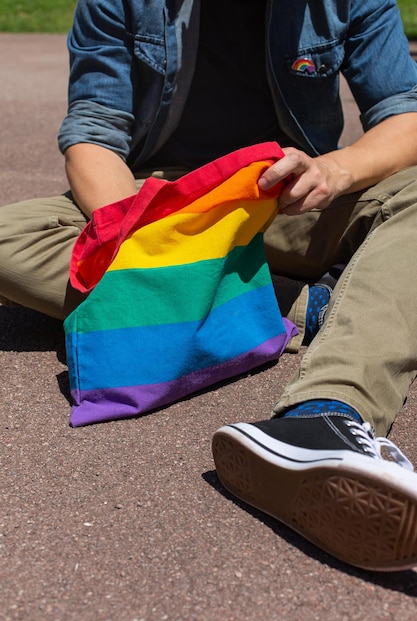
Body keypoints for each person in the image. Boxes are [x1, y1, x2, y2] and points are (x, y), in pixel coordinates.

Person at [2, 0, 417, 571]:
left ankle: (324, 417)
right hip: (158, 199)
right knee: (9, 237)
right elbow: (95, 132)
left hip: (287, 192)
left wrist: (335, 170)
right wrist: (147, 237)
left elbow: (405, 115)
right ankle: (307, 309)